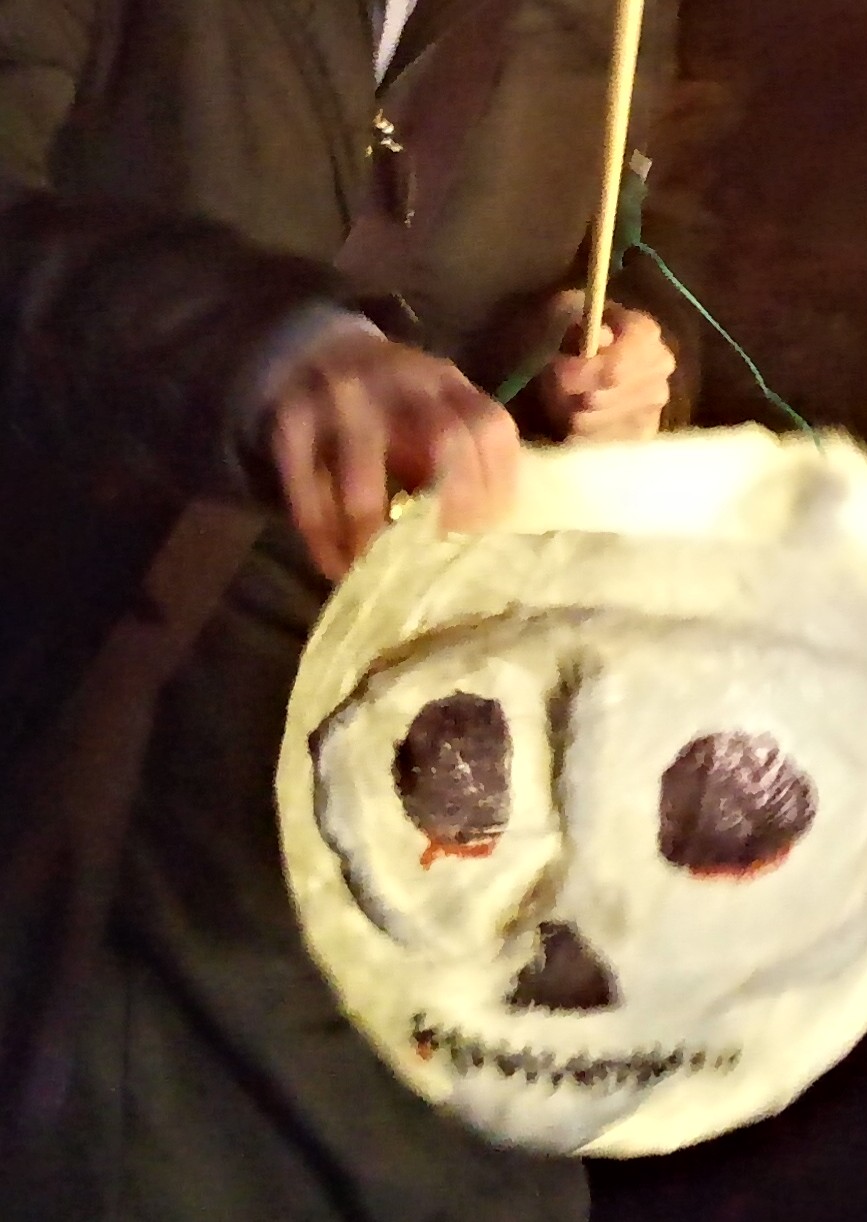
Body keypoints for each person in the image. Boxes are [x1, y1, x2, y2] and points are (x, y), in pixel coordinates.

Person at [0, 2, 697, 1218]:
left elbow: (617, 242)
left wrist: (625, 364)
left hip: (428, 777)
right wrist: (260, 350)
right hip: (120, 709)